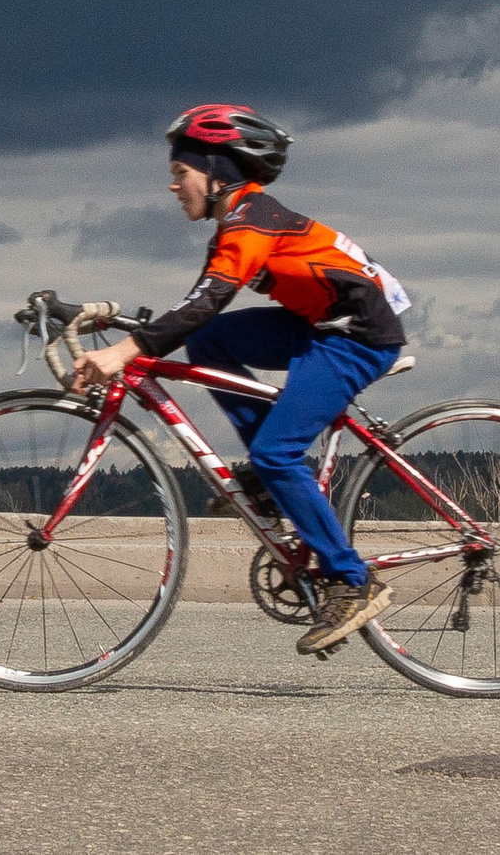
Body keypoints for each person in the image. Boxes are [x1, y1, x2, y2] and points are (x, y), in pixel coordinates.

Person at [70, 103, 411, 656]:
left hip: (356, 337)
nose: (172, 185)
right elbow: (196, 310)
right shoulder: (238, 220)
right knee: (210, 343)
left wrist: (127, 349)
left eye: (181, 173)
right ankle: (273, 477)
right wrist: (118, 324)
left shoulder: (253, 218)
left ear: (217, 171)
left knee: (277, 452)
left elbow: (208, 298)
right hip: (317, 326)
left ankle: (352, 580)